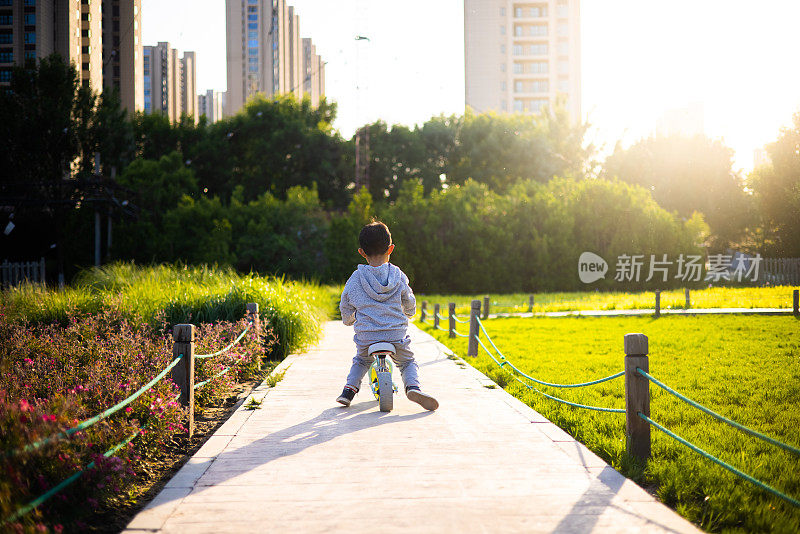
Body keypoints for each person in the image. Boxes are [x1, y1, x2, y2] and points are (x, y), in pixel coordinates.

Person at [336, 221, 439, 411]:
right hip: (395, 335)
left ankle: (349, 390)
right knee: (407, 362)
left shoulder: (355, 278)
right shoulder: (398, 276)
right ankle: (413, 387)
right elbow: (409, 299)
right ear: (391, 248)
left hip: (367, 336)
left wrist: (349, 319)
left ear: (362, 252)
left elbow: (345, 304)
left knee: (361, 360)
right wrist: (409, 312)